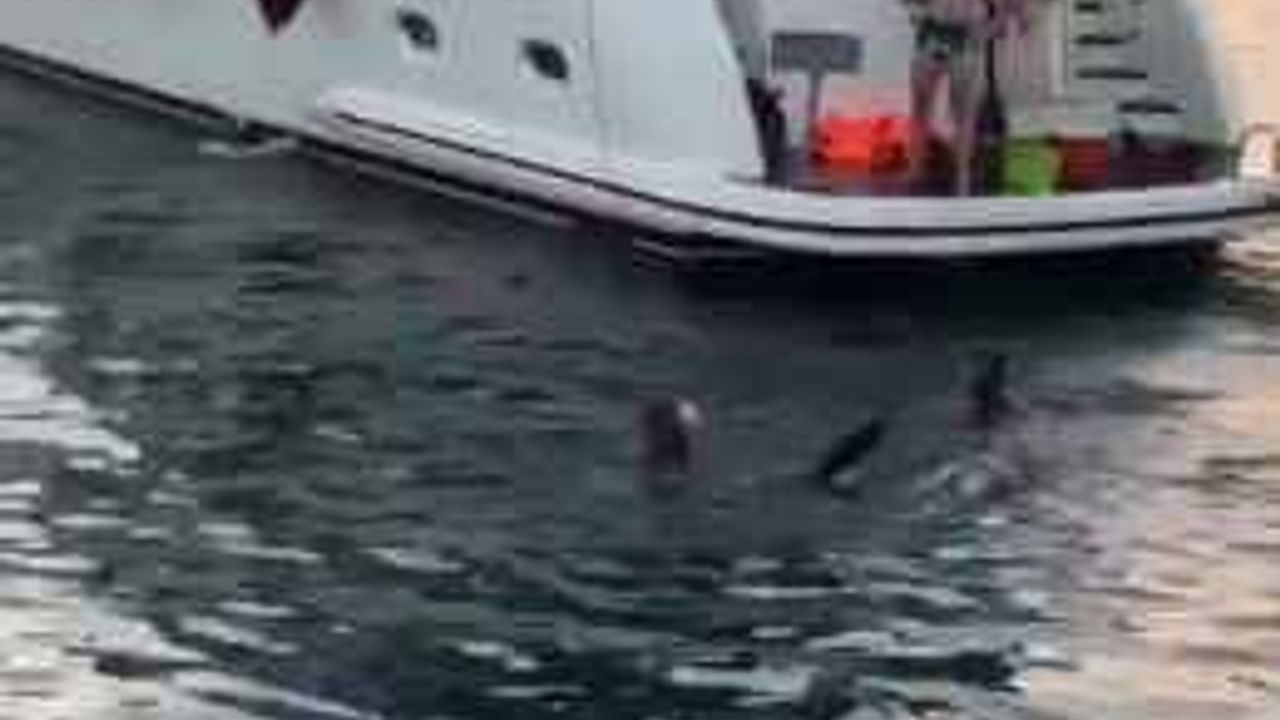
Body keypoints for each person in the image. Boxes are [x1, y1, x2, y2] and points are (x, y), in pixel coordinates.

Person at [903, 0, 1030, 195]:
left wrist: (1000, 23)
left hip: (967, 36)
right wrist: (915, 11)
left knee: (963, 117)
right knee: (920, 109)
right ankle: (914, 177)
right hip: (932, 33)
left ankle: (962, 184)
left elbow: (1016, 6)